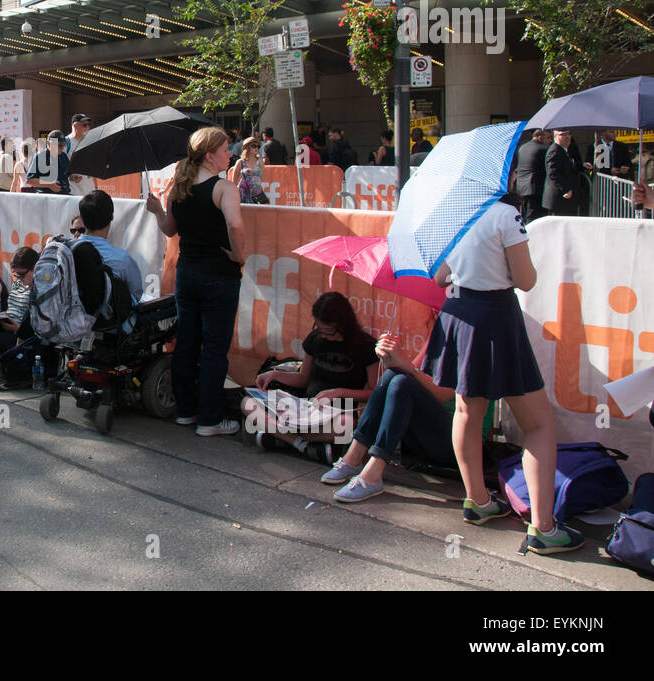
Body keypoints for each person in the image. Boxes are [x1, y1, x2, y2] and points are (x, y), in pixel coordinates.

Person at [424, 195, 583, 554]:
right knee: (539, 423)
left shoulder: (458, 212)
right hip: (495, 316)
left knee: (466, 411)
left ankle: (477, 502)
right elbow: (526, 281)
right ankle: (543, 528)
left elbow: (439, 277)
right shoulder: (505, 215)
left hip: (459, 311)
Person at [146, 126, 245, 436]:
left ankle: (186, 411)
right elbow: (235, 226)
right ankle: (209, 419)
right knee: (214, 348)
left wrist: (157, 210)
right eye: (227, 149)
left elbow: (169, 229)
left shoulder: (180, 187)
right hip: (218, 275)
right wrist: (240, 256)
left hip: (187, 274)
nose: (231, 154)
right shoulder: (224, 189)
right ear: (210, 155)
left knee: (187, 342)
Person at [321, 332, 473, 503]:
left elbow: (442, 394)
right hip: (423, 439)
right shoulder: (439, 332)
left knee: (402, 383)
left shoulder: (471, 338)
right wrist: (390, 359)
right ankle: (354, 456)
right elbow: (407, 371)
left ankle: (373, 473)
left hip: (459, 444)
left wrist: (404, 363)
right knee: (392, 375)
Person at [247, 291, 380, 462]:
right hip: (306, 406)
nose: (323, 334)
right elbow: (303, 378)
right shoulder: (315, 339)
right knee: (248, 404)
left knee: (345, 426)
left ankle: (284, 439)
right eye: (319, 328)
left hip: (338, 410)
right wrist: (275, 374)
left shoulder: (365, 346)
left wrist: (338, 392)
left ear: (342, 324)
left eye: (328, 331)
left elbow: (374, 392)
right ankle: (304, 445)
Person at [514, 128, 551, 223]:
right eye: (548, 138)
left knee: (525, 214)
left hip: (522, 187)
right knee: (534, 217)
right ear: (540, 138)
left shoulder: (522, 147)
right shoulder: (544, 149)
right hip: (535, 188)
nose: (550, 141)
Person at [543, 129, 581, 217]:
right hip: (560, 199)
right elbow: (553, 173)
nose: (567, 136)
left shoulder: (564, 150)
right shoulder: (555, 150)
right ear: (556, 137)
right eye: (563, 134)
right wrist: (566, 189)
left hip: (565, 200)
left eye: (569, 134)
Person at [25, 130, 71, 194]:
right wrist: (49, 184)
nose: (62, 148)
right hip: (46, 199)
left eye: (64, 145)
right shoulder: (39, 156)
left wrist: (73, 177)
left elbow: (68, 173)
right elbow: (29, 180)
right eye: (60, 145)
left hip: (64, 196)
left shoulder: (63, 156)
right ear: (49, 144)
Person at [66, 114, 96, 197]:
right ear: (75, 125)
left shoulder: (89, 142)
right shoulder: (65, 143)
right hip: (73, 191)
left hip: (90, 191)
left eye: (88, 125)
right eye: (84, 125)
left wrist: (95, 186)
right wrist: (70, 175)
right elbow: (56, 165)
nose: (87, 128)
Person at [229, 137, 265, 204]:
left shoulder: (260, 161)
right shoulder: (240, 162)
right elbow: (234, 181)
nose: (256, 148)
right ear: (247, 147)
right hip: (243, 193)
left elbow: (261, 178)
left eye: (258, 146)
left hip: (256, 194)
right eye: (254, 146)